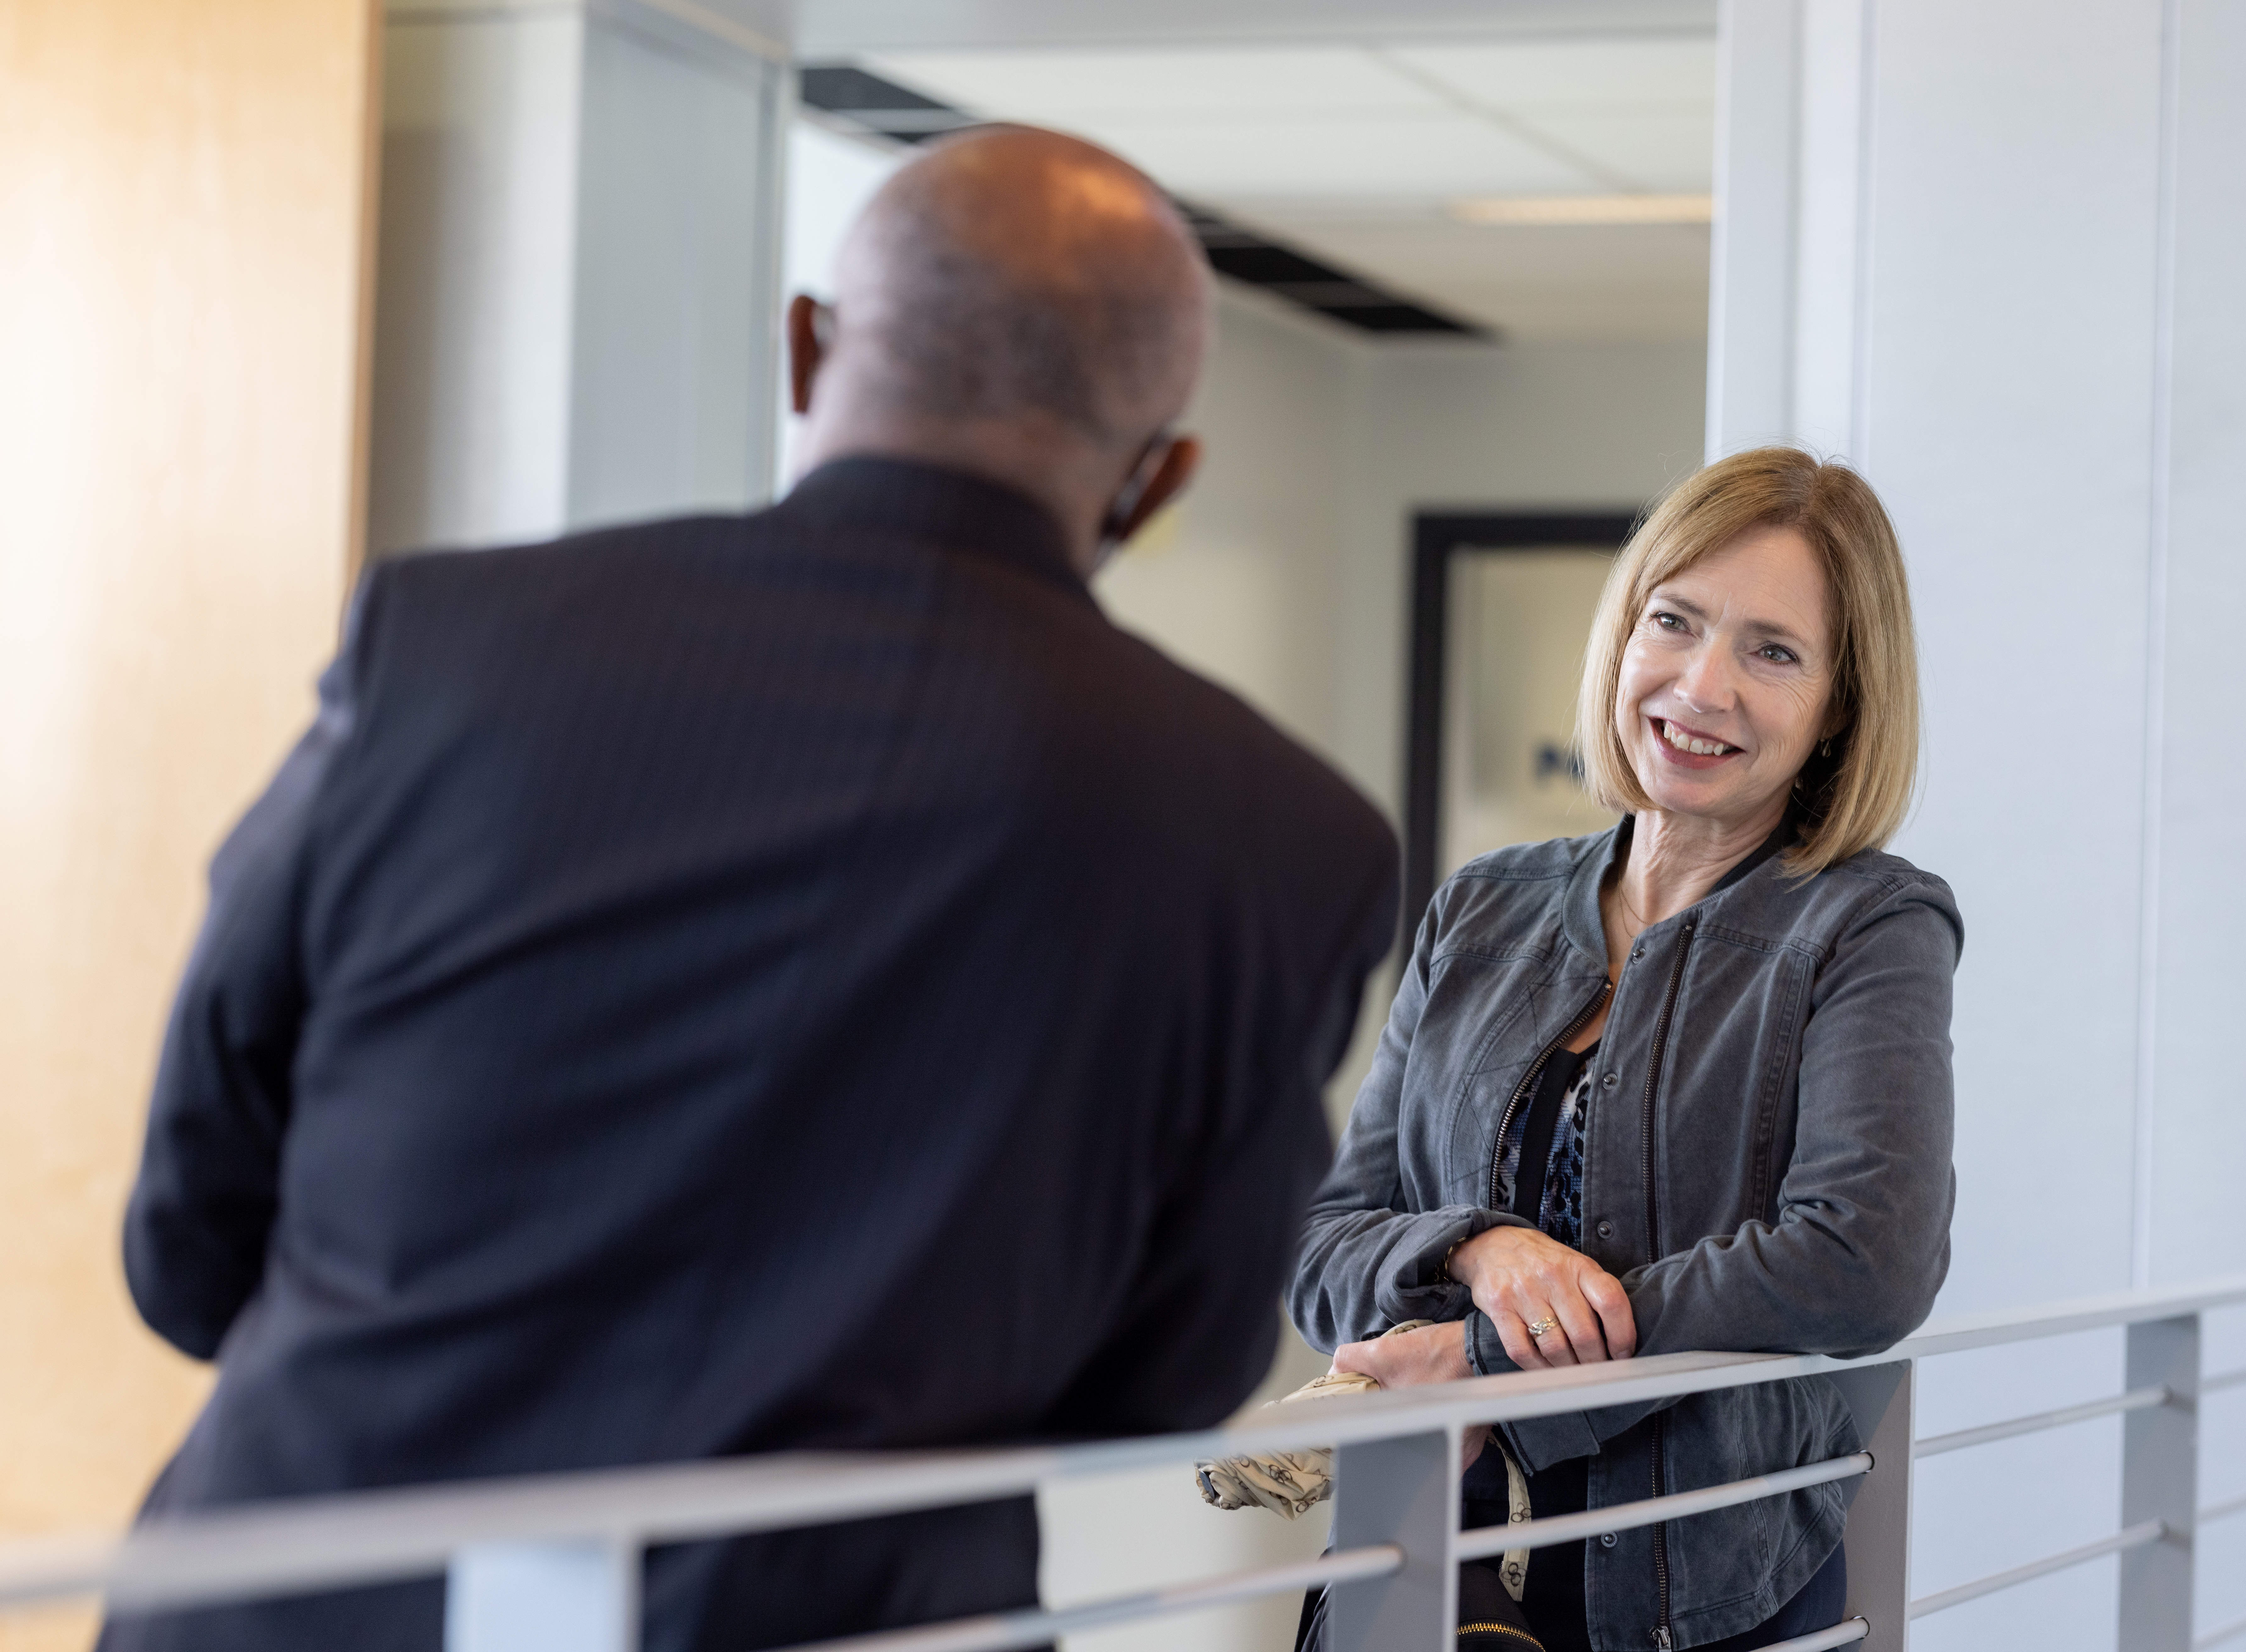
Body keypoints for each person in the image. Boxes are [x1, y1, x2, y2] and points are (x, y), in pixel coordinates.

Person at [108, 126, 1399, 1652]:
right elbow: (1164, 1377)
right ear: (1160, 472)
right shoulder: (1278, 836)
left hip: (301, 1607)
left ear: (804, 347)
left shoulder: (451, 647)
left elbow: (194, 1213)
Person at [1292, 448, 1959, 1652]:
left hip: (1697, 1597)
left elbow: (1868, 1259)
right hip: (1419, 1565)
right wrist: (1483, 1249)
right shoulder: (1482, 907)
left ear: (1840, 706)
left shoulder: (1868, 922)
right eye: (1675, 620)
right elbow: (1324, 1240)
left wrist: (1492, 1362)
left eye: (1773, 651)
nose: (1702, 687)